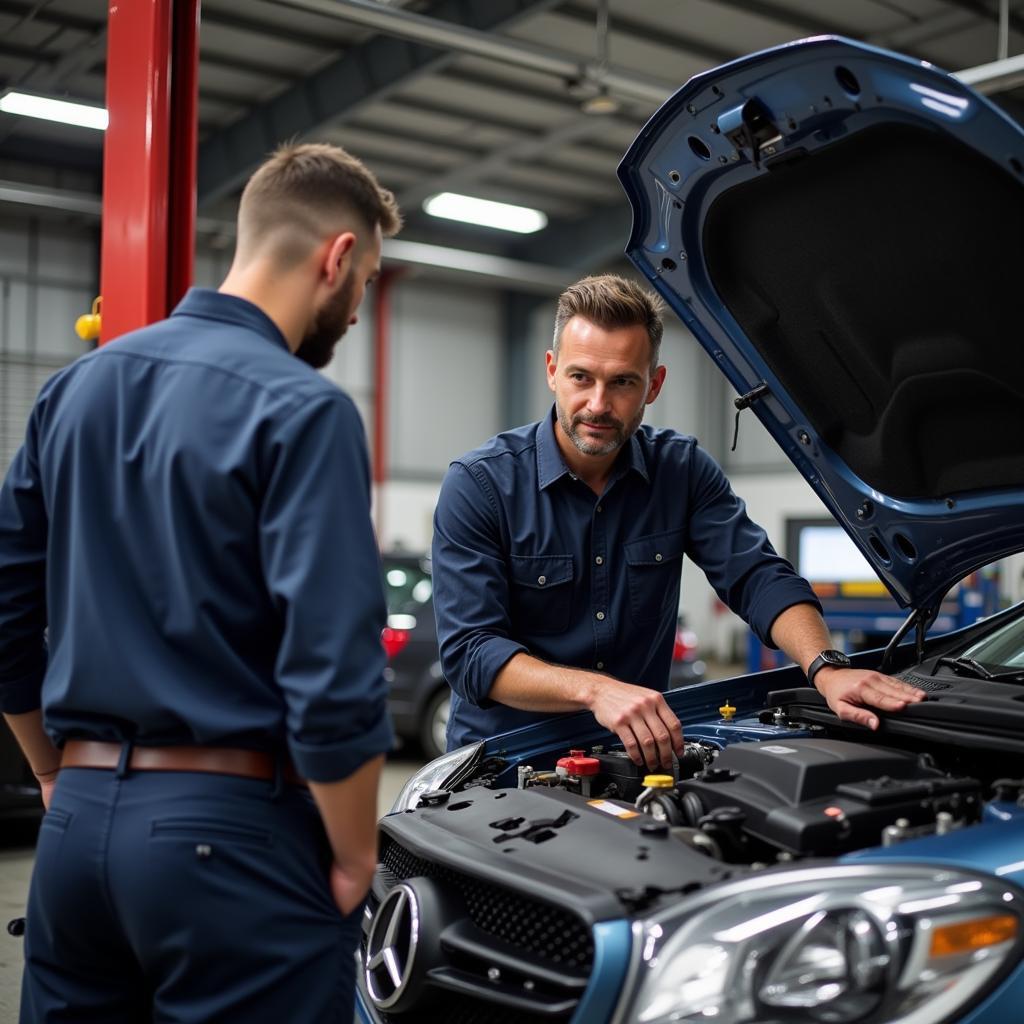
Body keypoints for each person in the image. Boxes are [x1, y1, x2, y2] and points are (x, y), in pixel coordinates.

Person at [0, 142, 401, 1023]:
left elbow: (5, 617)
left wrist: (53, 775)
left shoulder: (71, 394)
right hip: (231, 846)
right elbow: (332, 673)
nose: (357, 308)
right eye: (366, 280)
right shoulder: (303, 409)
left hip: (73, 837)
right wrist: (353, 856)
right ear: (335, 257)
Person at [432, 274, 924, 768]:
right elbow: (473, 653)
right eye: (582, 377)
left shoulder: (681, 471)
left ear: (654, 384)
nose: (598, 405)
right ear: (552, 371)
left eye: (623, 381)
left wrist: (824, 666)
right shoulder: (481, 486)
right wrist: (597, 692)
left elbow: (757, 576)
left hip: (633, 760)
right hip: (501, 764)